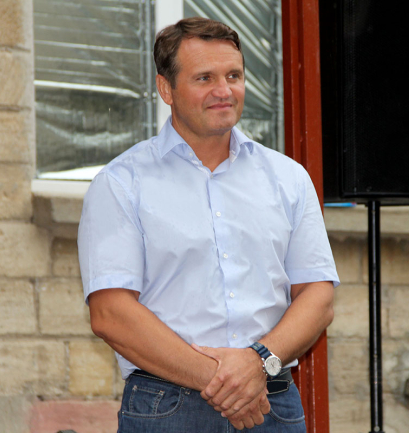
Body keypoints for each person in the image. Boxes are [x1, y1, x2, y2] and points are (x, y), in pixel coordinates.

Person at [77, 17, 339, 432]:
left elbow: (318, 296)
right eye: (205, 78)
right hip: (169, 408)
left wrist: (258, 363)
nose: (224, 90)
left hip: (271, 403)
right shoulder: (121, 183)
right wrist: (229, 383)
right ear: (166, 89)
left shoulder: (288, 178)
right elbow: (111, 313)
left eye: (233, 76)